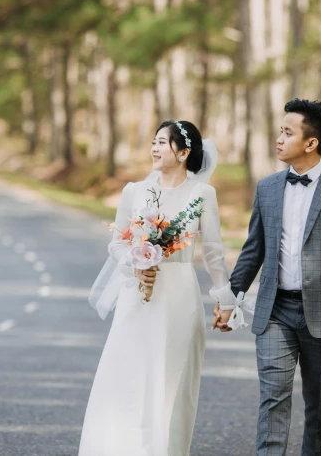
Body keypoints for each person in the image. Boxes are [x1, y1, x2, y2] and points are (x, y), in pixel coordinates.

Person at [213, 98, 321, 456]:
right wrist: (228, 301)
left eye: (287, 133)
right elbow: (253, 250)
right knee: (273, 399)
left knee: (319, 406)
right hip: (275, 311)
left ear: (311, 143)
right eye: (279, 132)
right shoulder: (267, 187)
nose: (279, 139)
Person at [80, 120, 239, 456]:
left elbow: (212, 250)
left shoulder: (202, 194)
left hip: (180, 295)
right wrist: (138, 263)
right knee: (129, 376)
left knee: (173, 382)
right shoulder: (134, 191)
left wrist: (226, 299)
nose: (154, 148)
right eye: (153, 142)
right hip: (137, 296)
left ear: (184, 152)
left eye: (163, 143)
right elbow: (116, 243)